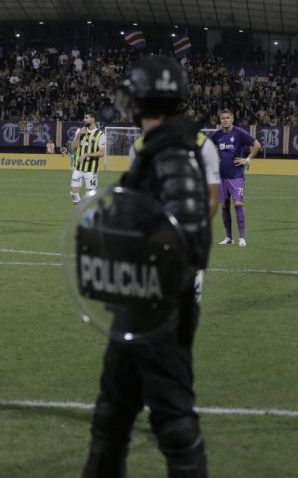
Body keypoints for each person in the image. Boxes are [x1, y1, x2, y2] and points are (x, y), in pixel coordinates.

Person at [83, 57, 211, 477]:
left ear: (144, 99)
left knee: (173, 422)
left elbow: (187, 238)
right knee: (111, 417)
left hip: (160, 311)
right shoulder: (155, 150)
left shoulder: (172, 153)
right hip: (134, 306)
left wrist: (127, 244)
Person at [209, 109, 261, 246]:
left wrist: (247, 160)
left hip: (236, 176)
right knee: (224, 206)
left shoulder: (239, 133)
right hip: (221, 177)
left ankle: (242, 237)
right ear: (220, 120)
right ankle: (228, 238)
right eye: (223, 118)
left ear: (232, 119)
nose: (225, 120)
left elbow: (257, 145)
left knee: (238, 203)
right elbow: (206, 147)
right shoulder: (217, 135)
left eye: (227, 118)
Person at [69, 112, 106, 205]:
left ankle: (87, 212)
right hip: (78, 167)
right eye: (84, 118)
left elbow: (101, 153)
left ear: (93, 119)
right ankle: (79, 209)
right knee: (73, 193)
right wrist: (78, 135)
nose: (84, 120)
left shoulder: (100, 134)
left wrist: (86, 155)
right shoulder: (80, 131)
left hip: (91, 169)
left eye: (86, 118)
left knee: (90, 195)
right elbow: (73, 148)